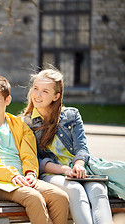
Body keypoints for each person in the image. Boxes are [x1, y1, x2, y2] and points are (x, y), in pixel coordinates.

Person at [23, 68, 125, 224]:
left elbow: (81, 147)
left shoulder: (71, 115)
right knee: (75, 190)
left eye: (44, 91)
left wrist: (78, 165)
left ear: (56, 96)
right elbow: (35, 160)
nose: (37, 94)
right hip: (52, 174)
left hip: (80, 171)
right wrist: (64, 170)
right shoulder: (26, 123)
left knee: (98, 190)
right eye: (35, 88)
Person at [0, 74, 69, 224]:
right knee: (34, 198)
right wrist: (11, 176)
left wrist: (30, 173)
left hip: (21, 180)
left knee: (60, 197)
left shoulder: (19, 124)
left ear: (7, 100)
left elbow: (29, 155)